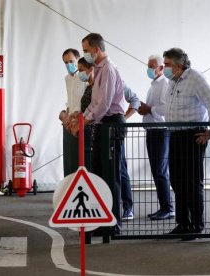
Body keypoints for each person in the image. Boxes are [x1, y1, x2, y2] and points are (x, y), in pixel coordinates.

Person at [162, 48, 210, 237]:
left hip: (192, 136)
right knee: (177, 180)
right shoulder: (172, 82)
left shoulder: (195, 78)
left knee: (192, 181)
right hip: (175, 135)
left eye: (167, 65)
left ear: (179, 66)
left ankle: (196, 224)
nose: (165, 68)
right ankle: (183, 223)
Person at [75, 57, 140, 221]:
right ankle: (104, 215)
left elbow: (129, 101)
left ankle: (126, 207)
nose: (79, 73)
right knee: (104, 171)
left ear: (91, 68)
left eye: (81, 69)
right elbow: (91, 107)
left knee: (118, 170)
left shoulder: (111, 74)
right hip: (98, 128)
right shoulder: (91, 85)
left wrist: (122, 118)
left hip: (112, 127)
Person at [80, 33, 126, 233]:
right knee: (99, 173)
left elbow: (105, 103)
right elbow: (94, 102)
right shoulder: (98, 69)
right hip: (101, 123)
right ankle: (102, 219)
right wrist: (84, 118)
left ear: (96, 49)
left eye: (86, 50)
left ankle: (113, 222)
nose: (85, 54)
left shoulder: (107, 69)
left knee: (110, 173)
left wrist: (88, 119)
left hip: (111, 123)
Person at [138, 55, 175, 220]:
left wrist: (149, 109)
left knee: (160, 171)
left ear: (161, 68)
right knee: (156, 171)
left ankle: (168, 208)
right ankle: (164, 207)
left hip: (160, 131)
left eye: (153, 66)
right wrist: (145, 109)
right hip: (152, 131)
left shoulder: (164, 84)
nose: (149, 69)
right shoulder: (154, 85)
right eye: (148, 66)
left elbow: (166, 108)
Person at [59, 48, 87, 177]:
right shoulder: (67, 79)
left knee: (82, 158)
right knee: (71, 158)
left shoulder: (84, 77)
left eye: (71, 61)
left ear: (78, 59)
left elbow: (85, 100)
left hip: (82, 120)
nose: (69, 65)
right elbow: (70, 99)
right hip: (70, 120)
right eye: (66, 62)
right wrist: (66, 115)